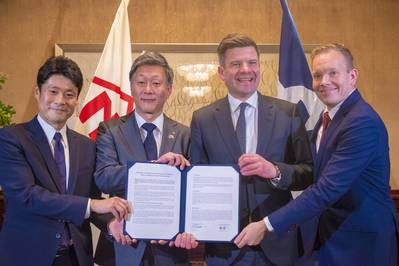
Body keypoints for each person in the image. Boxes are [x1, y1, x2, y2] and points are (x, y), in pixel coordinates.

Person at [235, 43, 399, 266]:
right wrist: (272, 169)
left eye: (333, 73)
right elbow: (312, 171)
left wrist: (266, 225)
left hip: (362, 244)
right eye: (318, 75)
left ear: (352, 76)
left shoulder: (361, 122)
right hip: (327, 241)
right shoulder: (326, 120)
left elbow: (327, 189)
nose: (324, 82)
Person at [187, 33, 313, 265]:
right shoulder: (202, 119)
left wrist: (274, 170)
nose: (246, 69)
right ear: (222, 72)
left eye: (252, 62)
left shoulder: (289, 112)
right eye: (236, 64)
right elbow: (197, 181)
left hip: (278, 243)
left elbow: (308, 172)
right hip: (224, 248)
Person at [0, 56, 131, 266]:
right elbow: (26, 196)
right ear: (37, 92)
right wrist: (94, 204)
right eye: (53, 91)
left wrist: (110, 225)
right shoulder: (11, 138)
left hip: (76, 258)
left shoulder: (86, 146)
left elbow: (91, 199)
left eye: (69, 94)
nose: (60, 101)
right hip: (26, 255)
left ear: (77, 99)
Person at [94, 51, 193, 266]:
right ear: (131, 87)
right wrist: (156, 168)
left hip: (171, 249)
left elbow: (193, 189)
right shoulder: (110, 130)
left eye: (156, 83)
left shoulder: (186, 134)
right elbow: (104, 178)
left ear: (169, 89)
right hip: (122, 245)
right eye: (141, 82)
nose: (148, 90)